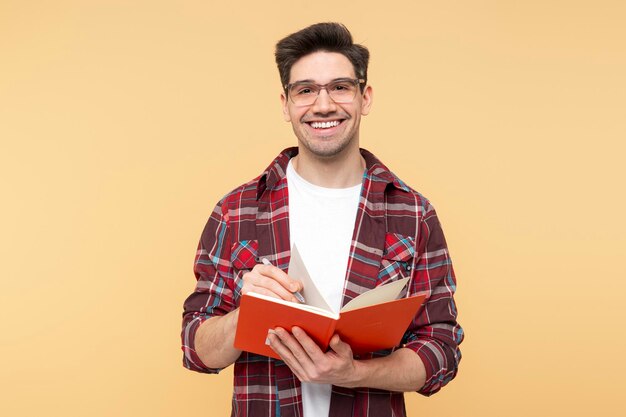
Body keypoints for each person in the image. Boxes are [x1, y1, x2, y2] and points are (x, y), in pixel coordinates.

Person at [181, 22, 463, 417]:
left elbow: (441, 350)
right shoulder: (236, 210)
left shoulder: (414, 213)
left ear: (365, 98)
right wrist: (246, 316)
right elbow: (197, 348)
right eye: (306, 90)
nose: (324, 104)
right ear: (285, 104)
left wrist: (355, 372)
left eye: (340, 87)